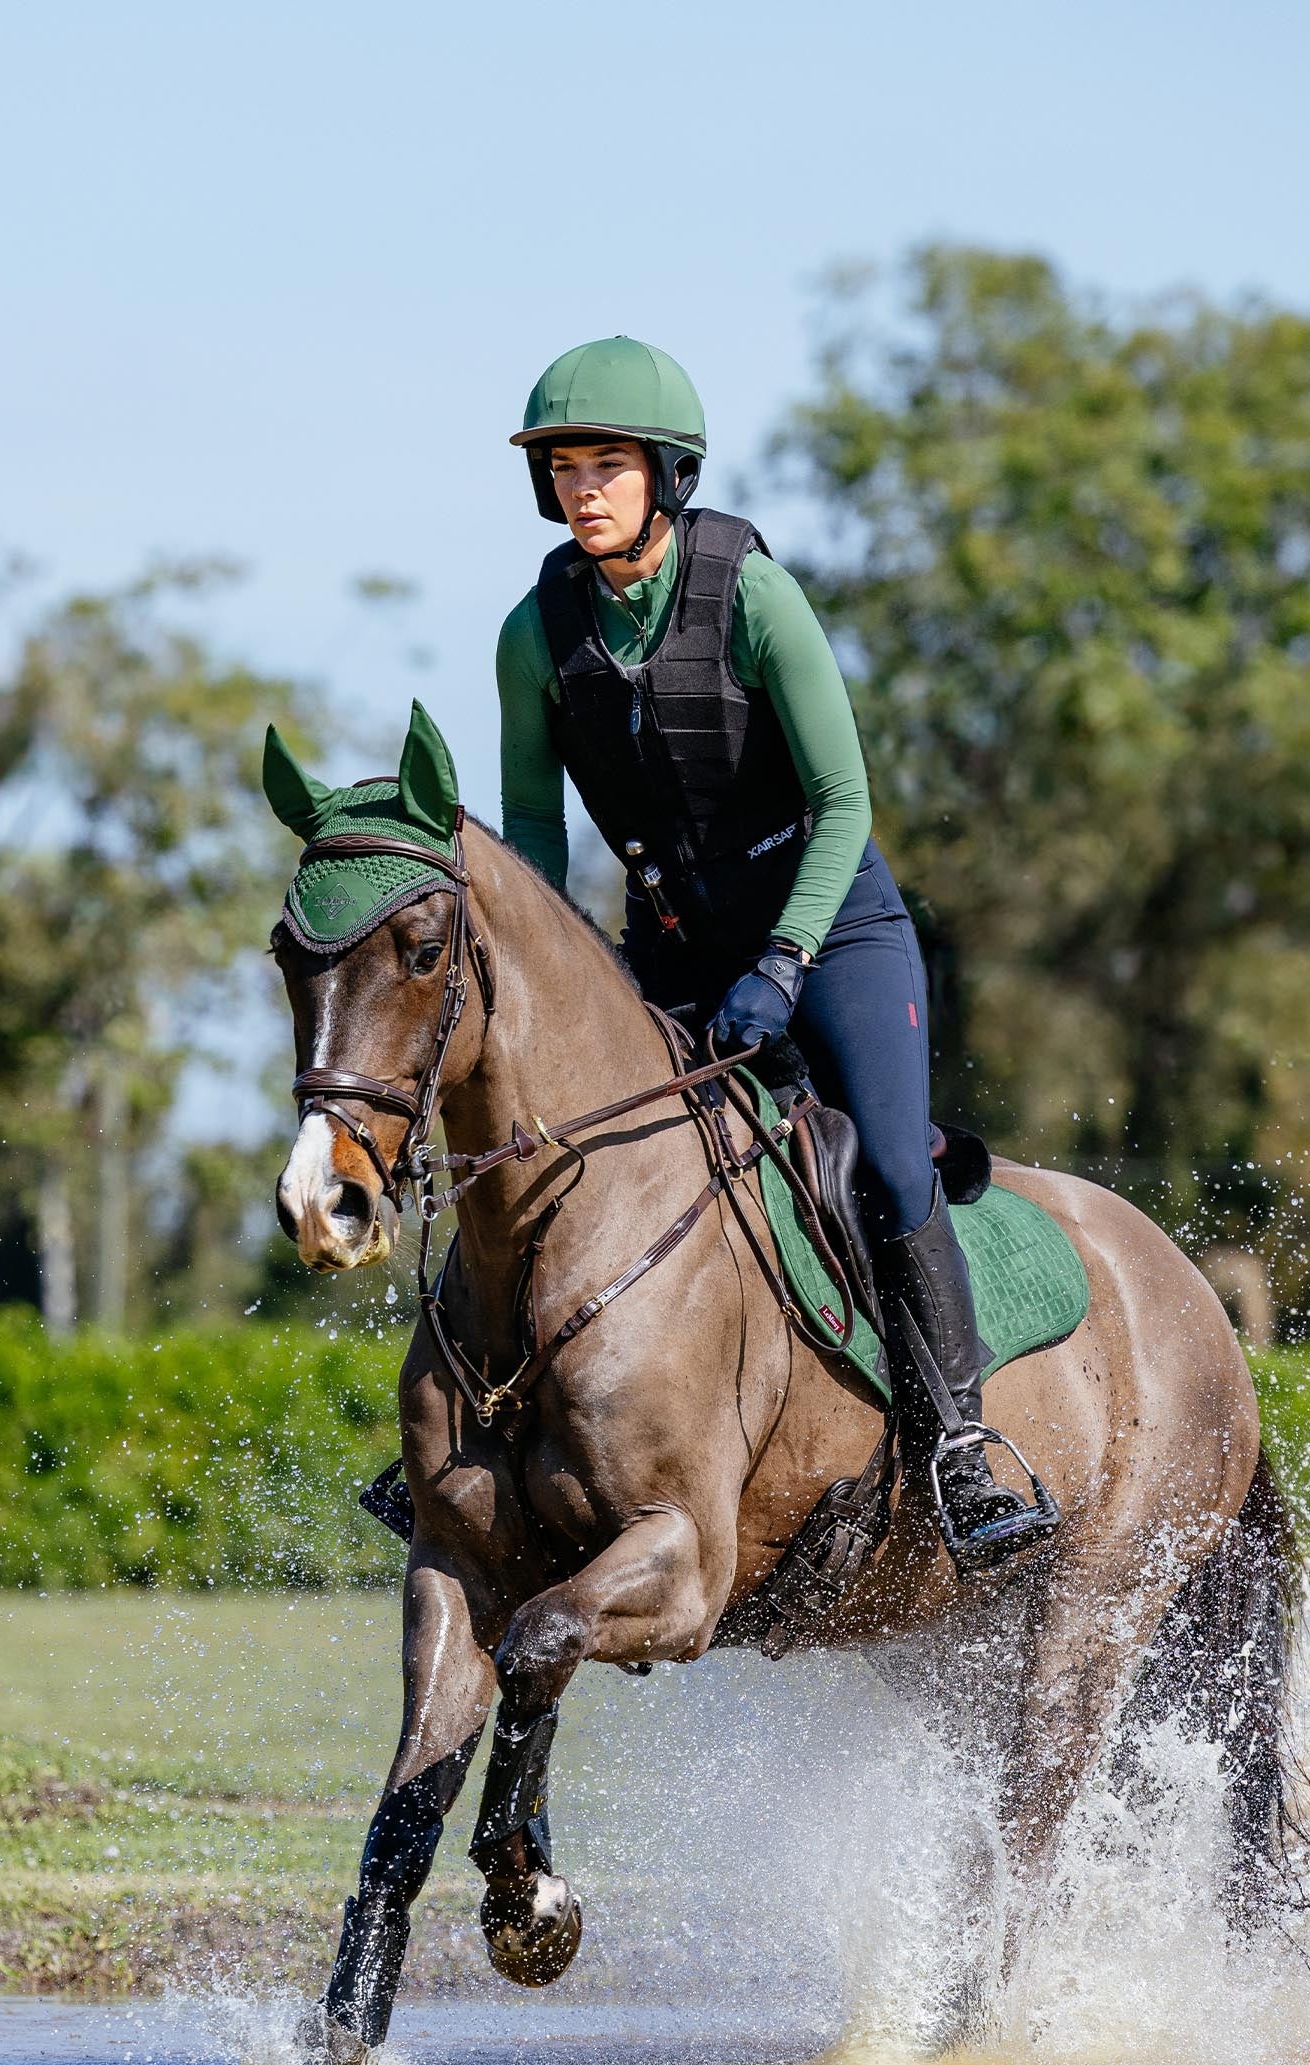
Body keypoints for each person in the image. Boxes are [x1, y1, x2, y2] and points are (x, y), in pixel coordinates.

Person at [496, 336, 1051, 1565]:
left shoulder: (752, 594)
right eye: (564, 469)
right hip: (678, 946)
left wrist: (786, 964)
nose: (584, 488)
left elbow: (844, 799)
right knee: (553, 1157)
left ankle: (959, 1447)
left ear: (667, 474)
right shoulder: (534, 636)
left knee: (891, 1168)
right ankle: (479, 1440)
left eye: (607, 463)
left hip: (830, 924)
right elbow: (533, 830)